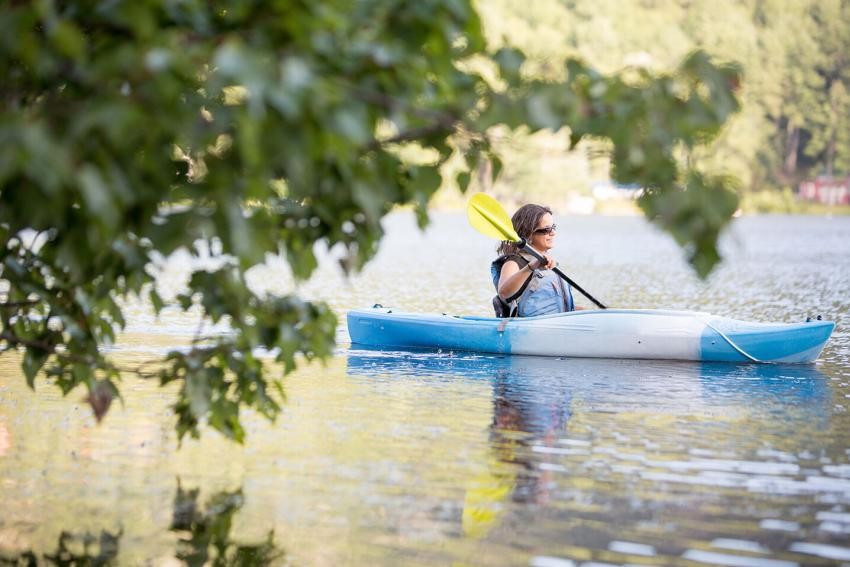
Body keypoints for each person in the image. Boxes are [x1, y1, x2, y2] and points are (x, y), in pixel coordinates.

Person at [490, 204, 574, 317]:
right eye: (547, 229)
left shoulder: (550, 264)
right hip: (527, 329)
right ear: (529, 234)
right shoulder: (513, 263)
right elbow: (504, 293)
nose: (553, 233)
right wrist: (531, 266)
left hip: (556, 326)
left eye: (553, 227)